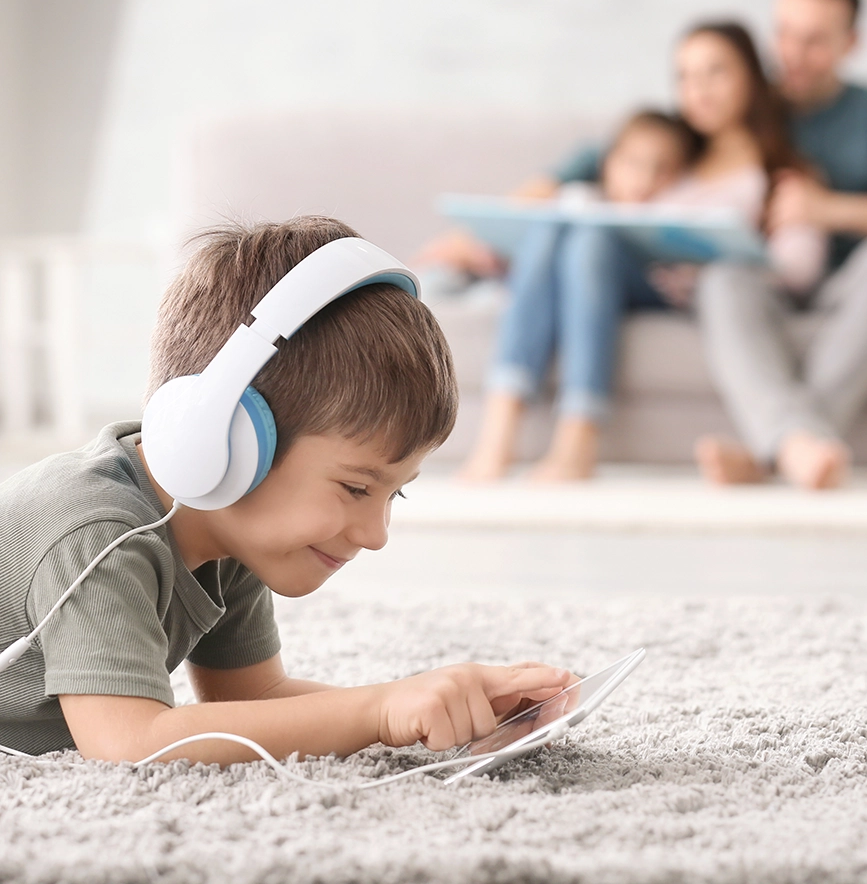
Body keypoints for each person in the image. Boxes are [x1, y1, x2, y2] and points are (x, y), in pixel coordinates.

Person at [0, 216, 572, 763]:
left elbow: (254, 700)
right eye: (356, 488)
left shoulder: (227, 527)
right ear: (226, 439)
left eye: (394, 495)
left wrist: (430, 705)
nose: (376, 536)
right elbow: (131, 743)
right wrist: (378, 711)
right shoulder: (99, 536)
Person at [525, 0, 867, 489]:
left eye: (814, 41)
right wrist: (543, 186)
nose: (793, 55)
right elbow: (623, 147)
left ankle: (777, 450)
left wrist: (827, 209)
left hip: (844, 284)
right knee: (725, 277)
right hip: (761, 284)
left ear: (852, 42)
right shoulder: (744, 100)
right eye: (784, 34)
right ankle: (797, 447)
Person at [461, 24, 824, 483]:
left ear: (751, 78)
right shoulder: (674, 149)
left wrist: (733, 253)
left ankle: (578, 437)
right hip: (622, 272)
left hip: (691, 291)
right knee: (563, 224)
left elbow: (799, 270)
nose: (699, 90)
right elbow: (590, 166)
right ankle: (500, 429)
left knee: (591, 238)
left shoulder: (778, 173)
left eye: (715, 72)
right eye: (685, 77)